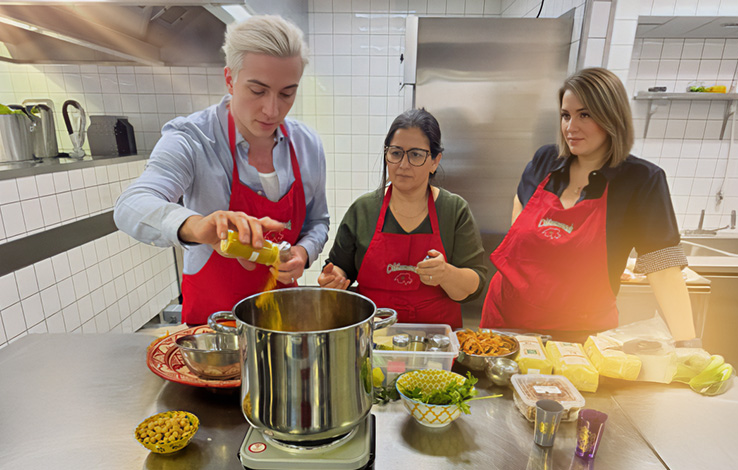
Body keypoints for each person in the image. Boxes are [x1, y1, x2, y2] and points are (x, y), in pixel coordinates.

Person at [114, 15, 329, 325]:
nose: (272, 110)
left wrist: (304, 252)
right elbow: (131, 205)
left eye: (286, 93)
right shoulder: (192, 138)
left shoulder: (308, 145)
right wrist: (198, 226)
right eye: (258, 91)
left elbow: (318, 221)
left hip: (281, 319)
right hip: (213, 326)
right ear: (230, 79)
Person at [480, 67, 698, 343]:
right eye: (566, 115)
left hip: (580, 335)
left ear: (612, 117)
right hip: (507, 322)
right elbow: (520, 206)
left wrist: (688, 344)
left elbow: (664, 269)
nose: (571, 127)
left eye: (585, 115)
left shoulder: (641, 180)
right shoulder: (546, 160)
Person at [318, 109, 486, 329]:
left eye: (416, 155)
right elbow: (341, 268)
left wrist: (445, 273)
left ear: (435, 161)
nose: (403, 165)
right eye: (396, 153)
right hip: (374, 339)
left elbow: (474, 284)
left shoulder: (454, 210)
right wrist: (333, 280)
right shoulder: (363, 210)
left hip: (436, 345)